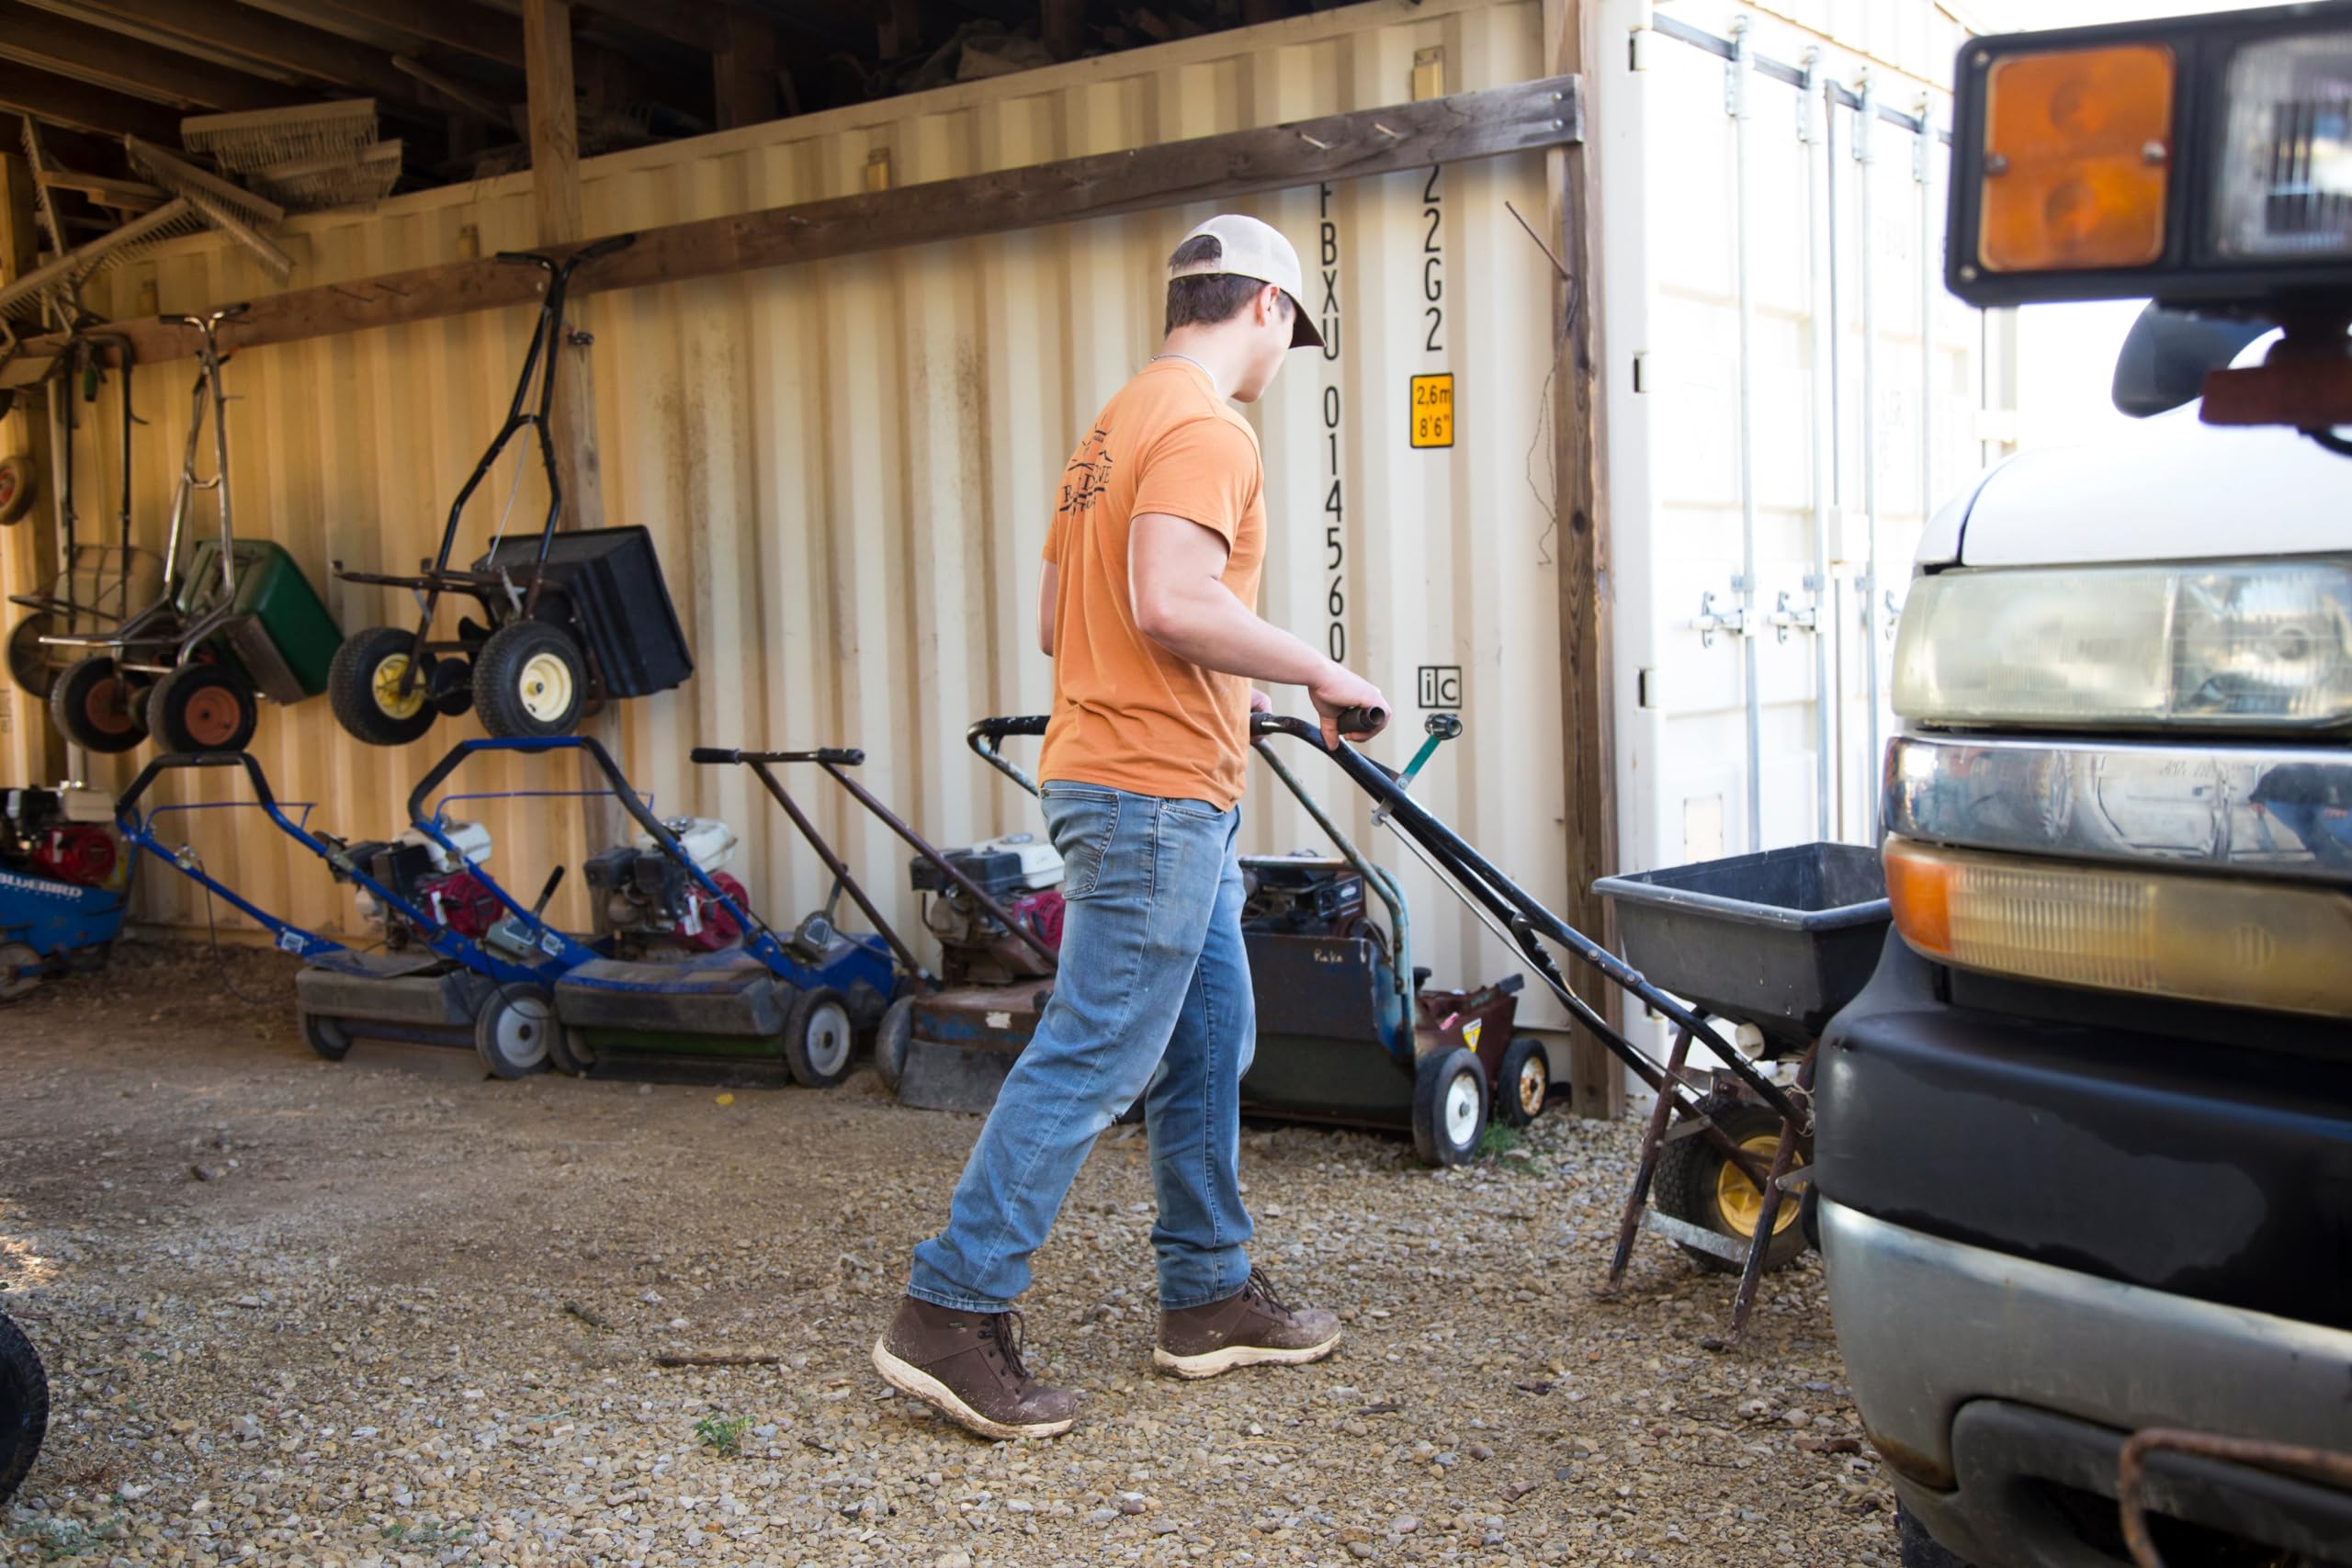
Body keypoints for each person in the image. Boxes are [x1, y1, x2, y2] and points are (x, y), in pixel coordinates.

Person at [871, 214, 1390, 1439]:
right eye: (1289, 331)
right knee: (1100, 1047)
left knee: (1214, 1033)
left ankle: (1207, 1294)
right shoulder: (1212, 424)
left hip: (1152, 781)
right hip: (1152, 793)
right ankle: (951, 1306)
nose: (1283, 354)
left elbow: (1071, 619)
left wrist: (1236, 679)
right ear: (1265, 305)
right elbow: (1168, 598)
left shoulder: (1113, 426)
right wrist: (1316, 667)